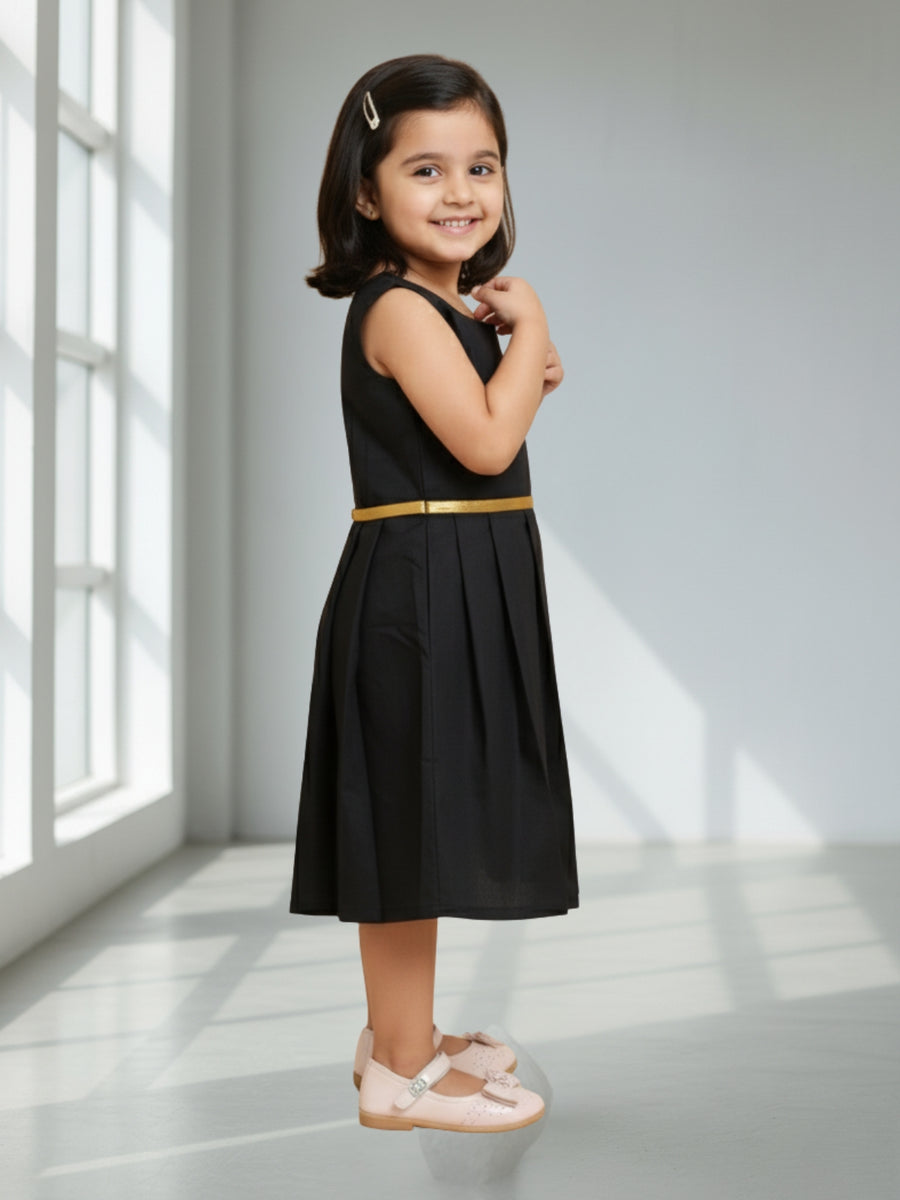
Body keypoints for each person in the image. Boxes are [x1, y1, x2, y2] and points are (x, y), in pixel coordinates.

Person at [289, 53, 579, 1134]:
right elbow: (489, 435)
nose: (461, 193)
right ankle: (397, 1072)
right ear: (365, 191)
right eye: (425, 169)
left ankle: (403, 1038)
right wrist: (535, 331)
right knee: (407, 827)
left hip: (458, 576)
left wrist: (512, 352)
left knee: (427, 818)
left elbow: (489, 421)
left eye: (483, 166)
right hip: (419, 592)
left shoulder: (444, 309)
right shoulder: (401, 307)